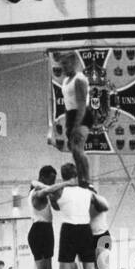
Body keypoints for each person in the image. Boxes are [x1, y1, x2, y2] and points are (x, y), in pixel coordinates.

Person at [42, 164, 100, 269]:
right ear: (76, 175)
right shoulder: (87, 190)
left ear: (63, 176)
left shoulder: (60, 190)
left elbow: (55, 207)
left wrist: (54, 197)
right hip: (85, 228)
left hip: (69, 230)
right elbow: (96, 204)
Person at [55, 51, 92, 185]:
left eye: (65, 64)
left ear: (74, 63)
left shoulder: (79, 79)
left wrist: (77, 125)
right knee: (73, 151)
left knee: (78, 148)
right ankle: (80, 179)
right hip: (71, 115)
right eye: (62, 64)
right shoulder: (65, 81)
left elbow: (82, 104)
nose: (63, 67)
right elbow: (67, 104)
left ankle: (87, 179)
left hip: (82, 115)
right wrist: (68, 123)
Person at [27, 165, 58, 269]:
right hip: (39, 230)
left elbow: (57, 206)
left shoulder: (45, 193)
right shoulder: (36, 192)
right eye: (51, 180)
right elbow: (42, 188)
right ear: (43, 178)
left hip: (47, 230)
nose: (52, 183)